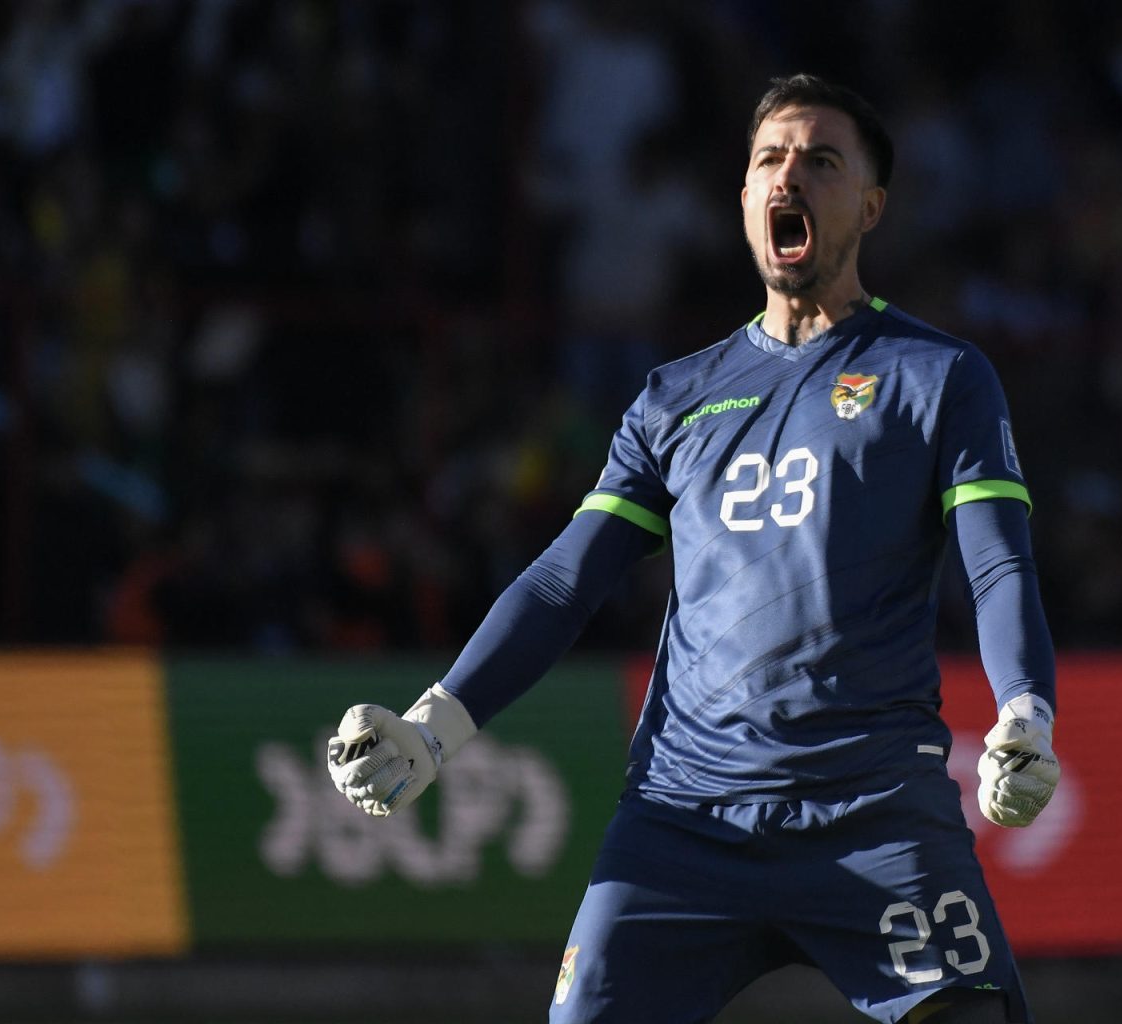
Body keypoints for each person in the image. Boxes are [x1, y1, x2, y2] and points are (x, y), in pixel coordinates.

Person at [326, 73, 1060, 1024]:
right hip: (681, 823)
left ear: (870, 207)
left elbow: (998, 563)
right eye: (769, 160)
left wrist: (1026, 713)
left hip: (876, 814)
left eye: (822, 161)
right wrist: (435, 728)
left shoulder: (941, 376)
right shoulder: (674, 398)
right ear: (747, 199)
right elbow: (563, 583)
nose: (789, 174)